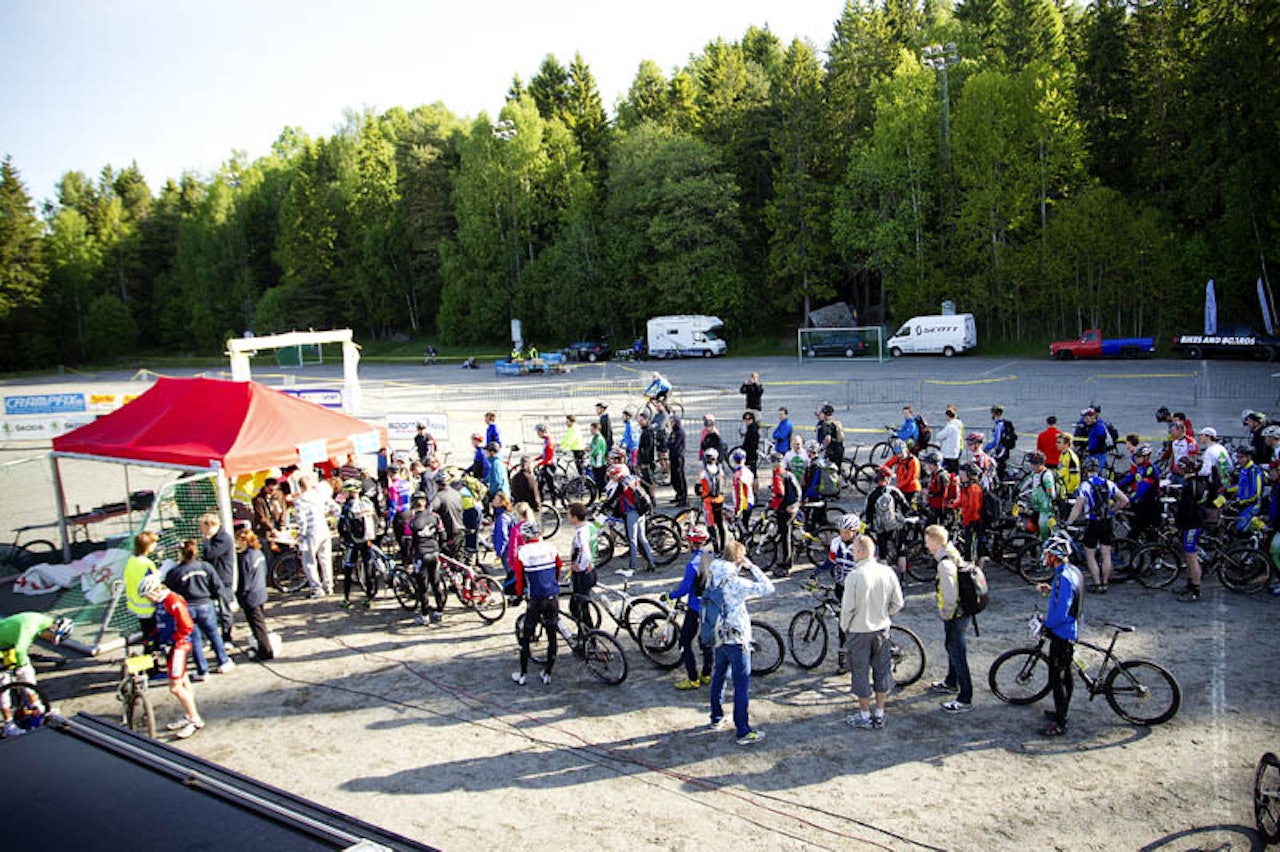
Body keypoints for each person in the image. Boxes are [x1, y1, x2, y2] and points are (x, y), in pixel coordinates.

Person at [706, 540, 775, 745]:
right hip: (737, 637)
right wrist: (752, 566)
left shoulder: (713, 574)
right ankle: (743, 730)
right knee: (741, 685)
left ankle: (716, 717)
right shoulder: (736, 582)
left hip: (719, 634)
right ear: (739, 559)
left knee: (718, 676)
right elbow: (768, 588)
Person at [840, 535, 904, 730]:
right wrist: (885, 614)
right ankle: (880, 712)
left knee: (860, 672)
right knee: (882, 671)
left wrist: (846, 627)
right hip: (881, 628)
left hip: (859, 630)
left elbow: (847, 608)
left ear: (860, 552)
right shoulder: (887, 572)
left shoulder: (854, 576)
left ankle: (864, 714)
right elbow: (898, 602)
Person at [138, 574, 205, 739]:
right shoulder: (163, 602)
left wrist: (174, 642)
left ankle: (194, 718)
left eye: (148, 596)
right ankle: (190, 715)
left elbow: (187, 626)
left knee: (175, 687)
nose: (148, 599)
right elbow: (163, 624)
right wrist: (152, 638)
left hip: (178, 647)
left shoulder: (172, 601)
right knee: (183, 681)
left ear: (155, 590)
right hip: (173, 645)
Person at [1036, 533, 1083, 736]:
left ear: (1054, 556)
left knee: (1058, 678)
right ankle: (1062, 711)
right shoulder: (1071, 571)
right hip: (1071, 629)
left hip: (1062, 633)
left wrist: (1047, 625)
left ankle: (1061, 722)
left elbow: (1062, 610)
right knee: (1066, 675)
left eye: (1047, 554)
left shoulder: (1062, 578)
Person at [164, 539, 233, 679]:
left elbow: (169, 590)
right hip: (205, 605)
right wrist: (213, 597)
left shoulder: (175, 572)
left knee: (195, 640)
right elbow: (217, 586)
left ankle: (202, 670)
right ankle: (223, 661)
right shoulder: (205, 567)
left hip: (186, 608)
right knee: (214, 634)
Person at [925, 525, 973, 714]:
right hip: (961, 612)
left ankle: (965, 698)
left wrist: (946, 614)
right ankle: (951, 682)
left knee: (958, 653)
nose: (926, 545)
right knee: (953, 649)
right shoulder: (951, 552)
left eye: (928, 541)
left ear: (936, 542)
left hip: (955, 615)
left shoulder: (944, 565)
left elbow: (950, 595)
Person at [0, 613, 72, 735]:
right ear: (53, 629)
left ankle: (38, 706)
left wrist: (22, 669)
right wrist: (20, 667)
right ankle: (8, 724)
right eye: (52, 637)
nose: (49, 640)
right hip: (6, 648)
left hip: (7, 646)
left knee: (28, 675)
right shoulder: (31, 625)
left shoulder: (40, 622)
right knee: (3, 683)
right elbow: (20, 650)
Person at [1065, 458, 1129, 593]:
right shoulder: (1108, 483)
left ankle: (1097, 583)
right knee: (1106, 554)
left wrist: (1068, 522)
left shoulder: (1085, 485)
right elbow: (1124, 500)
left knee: (1090, 554)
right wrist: (1113, 510)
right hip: (1107, 521)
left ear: (1086, 470)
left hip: (1093, 521)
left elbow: (1078, 507)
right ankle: (1105, 583)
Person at [512, 520, 562, 686]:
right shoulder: (550, 547)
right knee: (552, 636)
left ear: (525, 536)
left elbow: (519, 577)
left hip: (536, 598)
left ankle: (523, 674)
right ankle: (548, 673)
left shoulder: (523, 551)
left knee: (526, 636)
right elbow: (558, 567)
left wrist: (519, 594)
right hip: (552, 596)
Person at [664, 525, 714, 689]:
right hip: (711, 607)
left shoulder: (692, 564)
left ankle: (693, 678)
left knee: (685, 641)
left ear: (693, 543)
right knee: (707, 642)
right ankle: (707, 674)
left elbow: (684, 589)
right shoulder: (711, 556)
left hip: (696, 608)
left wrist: (670, 596)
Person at [813, 513, 863, 672]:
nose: (843, 535)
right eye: (841, 531)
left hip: (857, 588)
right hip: (841, 587)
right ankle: (844, 659)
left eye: (847, 532)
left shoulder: (862, 545)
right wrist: (818, 571)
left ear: (855, 532)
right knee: (843, 623)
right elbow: (831, 561)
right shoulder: (836, 543)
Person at [1172, 455, 1213, 602]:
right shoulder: (1200, 482)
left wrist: (1178, 523)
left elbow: (1186, 509)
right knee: (1188, 555)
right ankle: (1190, 583)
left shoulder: (1190, 485)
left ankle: (1196, 589)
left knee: (1191, 556)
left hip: (1192, 524)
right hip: (1196, 521)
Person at [603, 464, 656, 571]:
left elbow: (613, 498)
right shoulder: (632, 479)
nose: (612, 478)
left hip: (632, 513)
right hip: (641, 511)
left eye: (613, 476)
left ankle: (632, 566)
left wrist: (603, 507)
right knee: (642, 538)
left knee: (632, 540)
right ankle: (651, 562)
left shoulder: (622, 484)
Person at [234, 529, 274, 661]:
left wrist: (240, 595)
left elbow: (245, 580)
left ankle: (265, 651)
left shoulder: (245, 557)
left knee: (257, 625)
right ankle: (263, 646)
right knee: (260, 623)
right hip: (260, 591)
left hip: (251, 595)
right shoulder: (258, 553)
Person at [295, 474, 336, 597]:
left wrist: (300, 534)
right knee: (325, 559)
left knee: (309, 561)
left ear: (301, 487)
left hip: (310, 532)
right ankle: (329, 586)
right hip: (324, 529)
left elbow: (301, 520)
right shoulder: (320, 496)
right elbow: (335, 507)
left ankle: (316, 588)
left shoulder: (300, 501)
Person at [338, 479, 378, 607]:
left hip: (352, 542)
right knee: (368, 568)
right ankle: (369, 597)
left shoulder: (347, 506)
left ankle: (346, 599)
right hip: (367, 540)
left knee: (348, 569)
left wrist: (343, 537)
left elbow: (341, 525)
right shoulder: (367, 503)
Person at [199, 513, 237, 644]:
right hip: (214, 578)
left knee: (224, 609)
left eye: (202, 527)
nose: (201, 531)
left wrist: (207, 540)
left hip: (223, 578)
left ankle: (227, 637)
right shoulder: (218, 538)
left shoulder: (223, 539)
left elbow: (210, 554)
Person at [865, 469, 911, 576]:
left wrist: (871, 525)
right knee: (901, 551)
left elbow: (869, 513)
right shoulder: (894, 491)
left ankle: (885, 577)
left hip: (880, 526)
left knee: (882, 552)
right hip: (895, 525)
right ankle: (902, 576)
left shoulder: (873, 494)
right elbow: (906, 507)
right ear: (888, 479)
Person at [409, 493, 445, 624]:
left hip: (421, 554)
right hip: (434, 553)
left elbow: (407, 541)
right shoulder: (435, 517)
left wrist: (409, 555)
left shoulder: (411, 520)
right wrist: (438, 548)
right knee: (436, 583)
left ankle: (424, 615)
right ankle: (440, 611)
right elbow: (442, 534)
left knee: (422, 586)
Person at [766, 453, 801, 577]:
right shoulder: (786, 472)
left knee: (785, 536)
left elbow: (780, 494)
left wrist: (773, 506)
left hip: (785, 509)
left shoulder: (778, 475)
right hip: (793, 506)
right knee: (788, 534)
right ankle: (789, 559)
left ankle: (786, 563)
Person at [1117, 444, 1161, 543]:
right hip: (1143, 502)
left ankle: (1156, 555)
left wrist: (1128, 498)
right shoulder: (1140, 468)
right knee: (1135, 526)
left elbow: (1141, 491)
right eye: (1135, 456)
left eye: (1139, 457)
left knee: (1147, 530)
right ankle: (1132, 543)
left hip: (1151, 504)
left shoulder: (1150, 470)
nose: (1136, 458)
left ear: (1146, 457)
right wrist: (1115, 487)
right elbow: (1131, 478)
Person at [124, 531, 160, 647]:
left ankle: (148, 652)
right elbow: (152, 583)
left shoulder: (131, 561)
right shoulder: (147, 564)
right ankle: (152, 656)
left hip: (136, 604)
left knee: (146, 633)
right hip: (148, 606)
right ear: (147, 546)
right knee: (153, 634)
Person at [567, 503, 598, 630]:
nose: (567, 517)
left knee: (580, 608)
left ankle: (589, 636)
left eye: (569, 514)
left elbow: (585, 553)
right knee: (579, 605)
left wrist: (580, 566)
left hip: (583, 574)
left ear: (575, 517)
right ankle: (585, 634)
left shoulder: (580, 533)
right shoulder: (590, 526)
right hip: (592, 570)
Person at [1227, 445, 1265, 534]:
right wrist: (1227, 490)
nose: (1239, 460)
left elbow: (1256, 493)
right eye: (1237, 457)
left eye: (1241, 457)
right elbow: (1241, 486)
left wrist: (1241, 501)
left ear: (1249, 457)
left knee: (1242, 528)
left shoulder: (1255, 471)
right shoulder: (1243, 470)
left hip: (1253, 505)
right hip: (1243, 504)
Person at [697, 448, 727, 554]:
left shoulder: (703, 473)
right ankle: (723, 546)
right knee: (720, 524)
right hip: (719, 500)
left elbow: (698, 489)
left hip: (708, 501)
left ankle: (716, 549)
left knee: (710, 525)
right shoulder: (720, 470)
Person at [879, 440, 922, 512]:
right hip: (901, 489)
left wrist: (896, 487)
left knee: (910, 511)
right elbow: (887, 464)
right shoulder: (898, 457)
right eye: (897, 453)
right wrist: (884, 470)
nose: (899, 455)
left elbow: (910, 479)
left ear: (906, 450)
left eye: (901, 453)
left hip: (912, 490)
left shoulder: (913, 462)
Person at [729, 447, 756, 534]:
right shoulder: (748, 471)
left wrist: (737, 510)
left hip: (743, 504)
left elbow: (738, 494)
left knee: (742, 529)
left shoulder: (738, 475)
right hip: (750, 500)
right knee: (746, 524)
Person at [668, 416, 688, 507]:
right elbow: (669, 442)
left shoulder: (680, 432)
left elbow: (674, 444)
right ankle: (678, 494)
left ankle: (683, 497)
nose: (670, 424)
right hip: (673, 456)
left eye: (672, 422)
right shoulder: (673, 432)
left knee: (680, 477)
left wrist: (669, 444)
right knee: (674, 478)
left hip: (678, 457)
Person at [937, 406, 963, 473]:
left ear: (948, 416)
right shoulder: (958, 425)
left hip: (948, 452)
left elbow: (939, 436)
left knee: (949, 471)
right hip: (955, 451)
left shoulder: (951, 426)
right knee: (955, 470)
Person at [588, 421, 608, 489]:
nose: (591, 431)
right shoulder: (595, 437)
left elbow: (595, 450)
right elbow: (591, 446)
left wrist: (589, 454)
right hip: (595, 463)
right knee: (597, 481)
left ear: (597, 429)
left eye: (592, 429)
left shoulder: (599, 438)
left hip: (600, 463)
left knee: (600, 482)